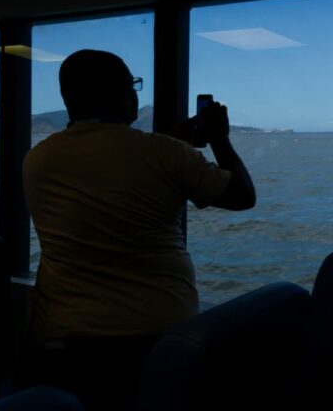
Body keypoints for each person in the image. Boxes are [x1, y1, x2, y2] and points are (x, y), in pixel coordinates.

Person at [20, 49, 255, 410]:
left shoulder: (37, 158)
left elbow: (111, 168)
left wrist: (170, 143)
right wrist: (219, 138)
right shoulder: (165, 153)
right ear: (119, 93)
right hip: (161, 343)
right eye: (132, 85)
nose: (135, 94)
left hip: (65, 345)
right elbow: (242, 196)